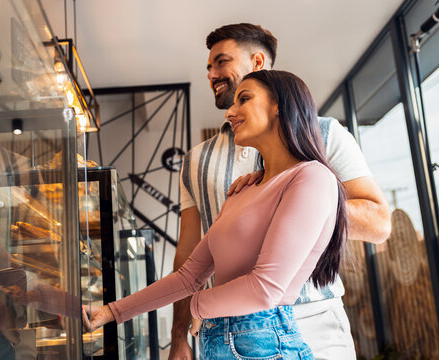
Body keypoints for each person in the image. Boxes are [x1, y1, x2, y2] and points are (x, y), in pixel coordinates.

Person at [83, 69, 348, 359]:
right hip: (217, 339)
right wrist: (111, 312)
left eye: (244, 99)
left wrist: (199, 305)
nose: (229, 112)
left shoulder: (312, 177)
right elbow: (187, 277)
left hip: (266, 342)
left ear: (279, 106)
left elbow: (266, 289)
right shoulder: (242, 190)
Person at [169, 23, 391, 360]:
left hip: (314, 320)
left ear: (258, 62)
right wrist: (178, 336)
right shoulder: (195, 160)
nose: (212, 74)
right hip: (230, 332)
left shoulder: (325, 133)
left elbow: (379, 223)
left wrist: (291, 199)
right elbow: (187, 255)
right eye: (208, 67)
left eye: (221, 62)